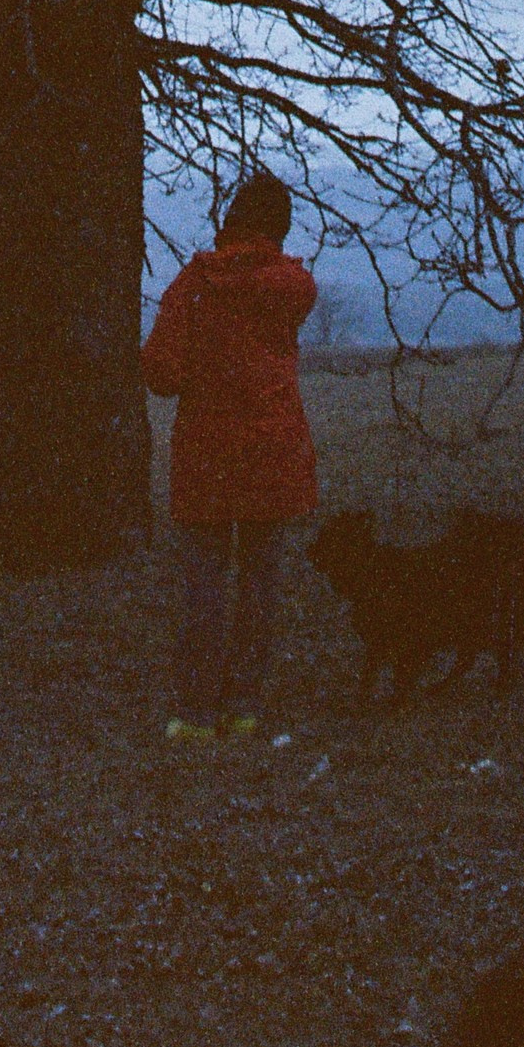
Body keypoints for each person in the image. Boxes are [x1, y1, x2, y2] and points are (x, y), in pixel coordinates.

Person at [140, 170, 319, 742]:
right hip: (273, 450)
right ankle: (243, 704)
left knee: (206, 585)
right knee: (261, 581)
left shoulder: (195, 284)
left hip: (208, 455)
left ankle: (194, 712)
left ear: (230, 220)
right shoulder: (292, 287)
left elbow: (162, 374)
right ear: (280, 227)